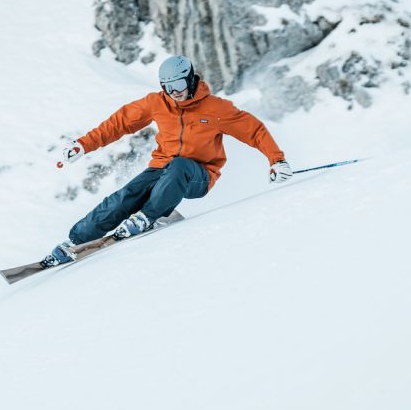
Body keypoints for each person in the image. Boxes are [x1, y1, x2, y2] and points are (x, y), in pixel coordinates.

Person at [41, 55, 293, 267]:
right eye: (168, 87)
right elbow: (120, 122)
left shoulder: (217, 109)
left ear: (191, 79)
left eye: (179, 86)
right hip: (161, 170)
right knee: (125, 196)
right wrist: (83, 144)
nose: (175, 93)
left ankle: (148, 216)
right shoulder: (158, 103)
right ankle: (77, 241)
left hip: (198, 175)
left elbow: (254, 130)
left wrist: (276, 160)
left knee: (179, 166)